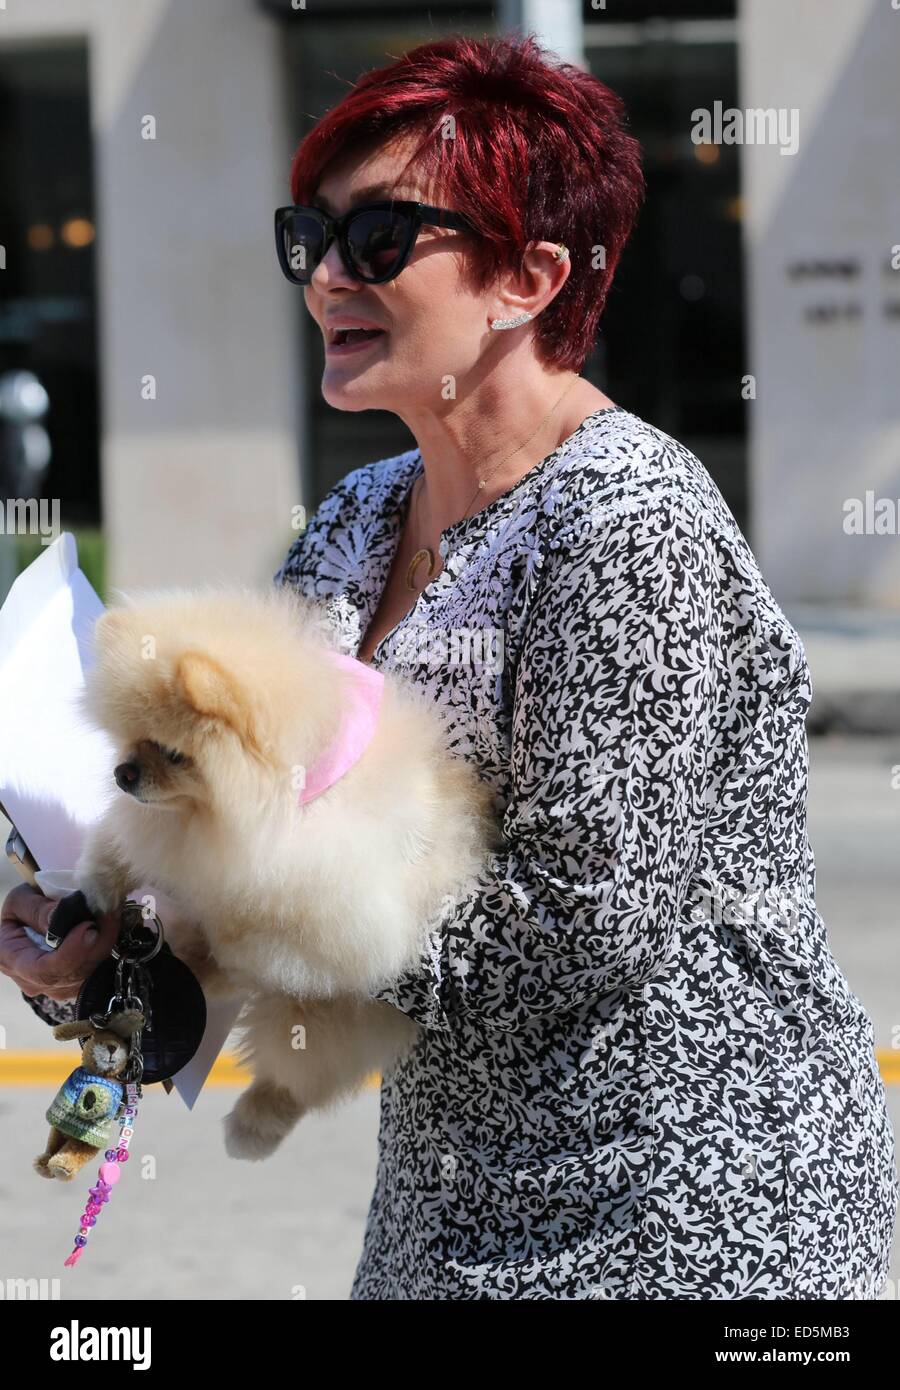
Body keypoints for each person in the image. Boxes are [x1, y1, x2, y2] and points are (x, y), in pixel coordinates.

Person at [3, 33, 896, 1300]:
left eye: (380, 242)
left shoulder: (630, 520)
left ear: (528, 277)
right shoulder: (358, 519)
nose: (324, 280)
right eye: (310, 240)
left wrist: (248, 914)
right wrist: (108, 953)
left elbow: (569, 927)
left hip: (697, 1200)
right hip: (451, 1200)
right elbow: (255, 838)